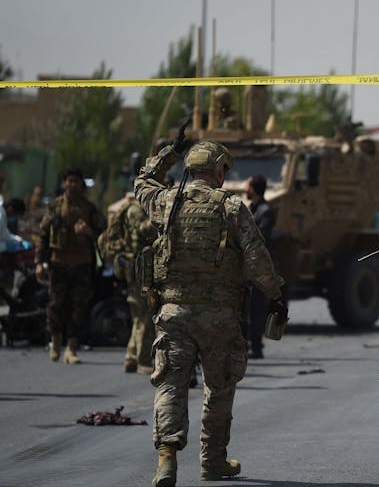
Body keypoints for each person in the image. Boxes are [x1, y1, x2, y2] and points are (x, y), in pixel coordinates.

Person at [134, 138, 286, 487]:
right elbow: (257, 259)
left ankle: (167, 461)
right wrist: (276, 294)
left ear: (189, 169)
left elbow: (142, 183)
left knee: (170, 384)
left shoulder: (165, 202)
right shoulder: (232, 208)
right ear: (219, 172)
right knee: (219, 388)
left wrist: (167, 152)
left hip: (174, 312)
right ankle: (213, 461)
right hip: (220, 316)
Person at [35, 168, 106, 364]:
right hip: (59, 263)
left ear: (81, 184)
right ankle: (56, 340)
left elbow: (104, 234)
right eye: (69, 181)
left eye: (76, 181)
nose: (72, 184)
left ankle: (72, 348)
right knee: (56, 305)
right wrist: (40, 263)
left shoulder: (89, 208)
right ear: (64, 183)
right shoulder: (55, 207)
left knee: (79, 307)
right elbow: (42, 235)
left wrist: (89, 231)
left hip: (82, 263)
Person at [100, 193, 158, 374]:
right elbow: (140, 234)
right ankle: (142, 360)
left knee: (139, 316)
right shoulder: (137, 210)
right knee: (144, 316)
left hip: (137, 268)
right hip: (139, 269)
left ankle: (131, 358)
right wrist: (160, 219)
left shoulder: (131, 207)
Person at [244, 174, 275, 359]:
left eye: (247, 187)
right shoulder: (252, 209)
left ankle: (256, 346)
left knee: (256, 308)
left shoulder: (265, 211)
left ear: (253, 189)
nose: (245, 190)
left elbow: (262, 238)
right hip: (247, 266)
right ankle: (246, 343)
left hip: (258, 267)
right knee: (245, 306)